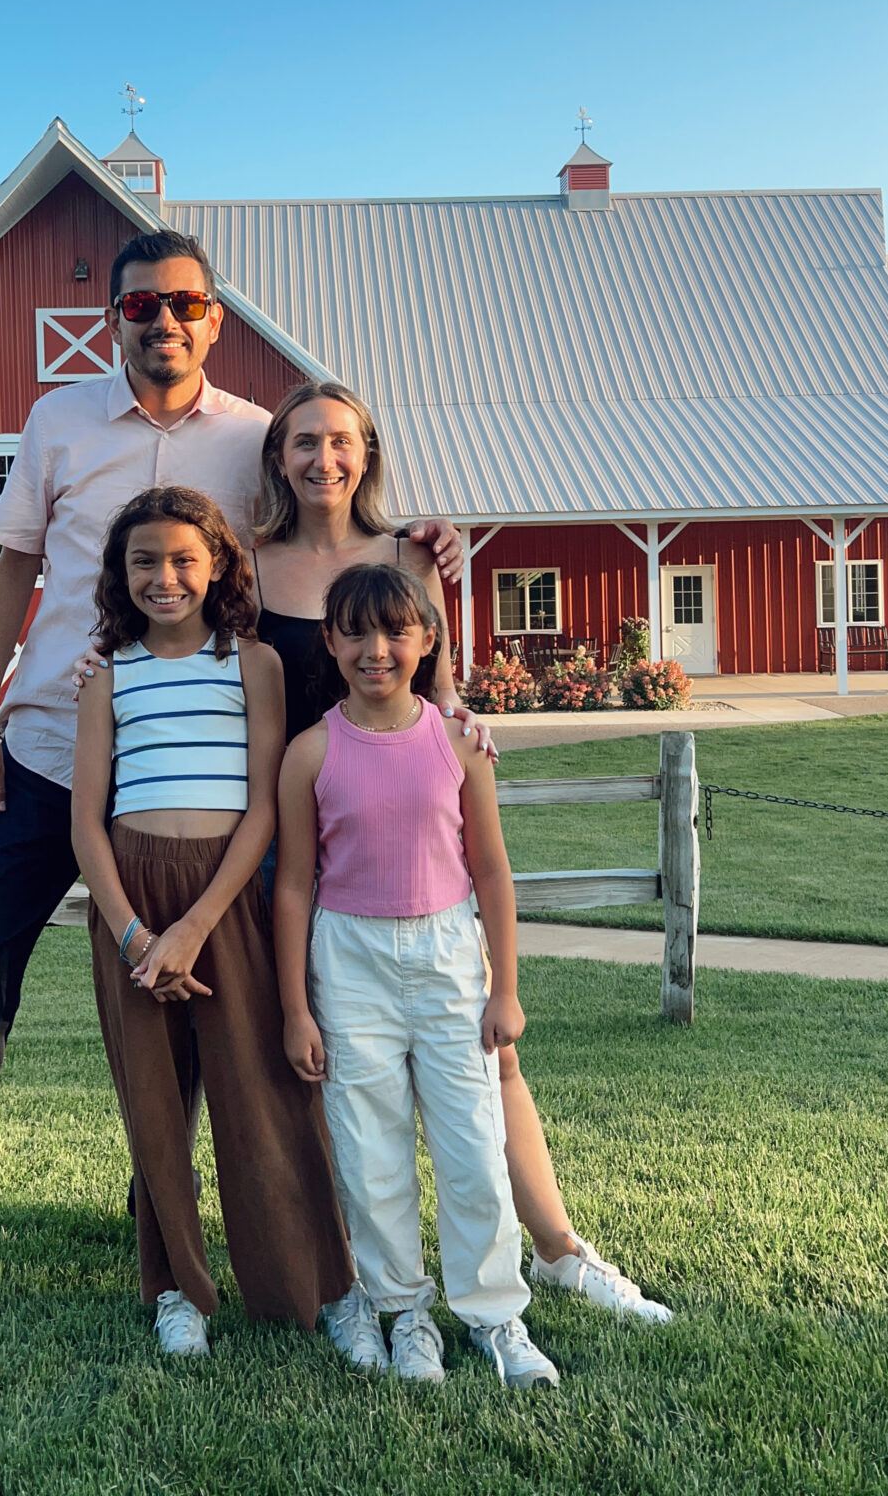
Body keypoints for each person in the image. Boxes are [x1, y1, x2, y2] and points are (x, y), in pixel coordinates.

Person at [0, 228, 459, 1352]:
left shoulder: (253, 440)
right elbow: (13, 577)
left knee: (226, 1012)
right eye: (138, 308)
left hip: (207, 781)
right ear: (111, 320)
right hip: (46, 755)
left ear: (214, 317)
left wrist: (413, 546)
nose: (161, 322)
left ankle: (182, 1235)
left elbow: (324, 520)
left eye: (183, 304)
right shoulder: (56, 423)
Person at [250, 380, 671, 1323]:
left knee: (493, 1062)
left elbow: (441, 693)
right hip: (301, 843)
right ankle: (358, 1277)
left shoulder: (410, 553)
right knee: (331, 1075)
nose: (325, 459)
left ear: (367, 455)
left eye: (343, 442)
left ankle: (560, 1248)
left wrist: (467, 724)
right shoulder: (249, 566)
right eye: (305, 441)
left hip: (417, 852)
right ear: (277, 455)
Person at [71, 486, 356, 1355]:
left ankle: (317, 1285)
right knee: (154, 1107)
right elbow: (85, 820)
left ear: (221, 564)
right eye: (144, 561)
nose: (165, 577)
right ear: (121, 575)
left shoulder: (253, 663)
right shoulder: (106, 675)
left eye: (185, 559)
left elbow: (267, 808)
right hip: (131, 895)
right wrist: (133, 935)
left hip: (225, 896)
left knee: (266, 1094)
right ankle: (179, 1292)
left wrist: (195, 926)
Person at [276, 562, 559, 1389]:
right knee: (369, 1149)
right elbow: (293, 885)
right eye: (355, 633)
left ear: (427, 640)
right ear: (329, 642)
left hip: (446, 957)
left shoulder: (460, 744)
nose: (375, 650)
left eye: (395, 631)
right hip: (349, 958)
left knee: (471, 1143)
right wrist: (296, 1008)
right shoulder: (311, 752)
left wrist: (504, 989)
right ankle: (403, 1313)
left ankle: (495, 1315)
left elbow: (494, 873)